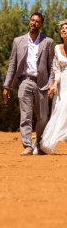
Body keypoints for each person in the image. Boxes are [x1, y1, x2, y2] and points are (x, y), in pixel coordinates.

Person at [3, 11, 54, 156]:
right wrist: (6, 86)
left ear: (41, 24)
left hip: (42, 83)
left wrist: (51, 83)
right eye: (32, 20)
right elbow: (12, 64)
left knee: (43, 116)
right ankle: (27, 146)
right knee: (25, 116)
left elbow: (52, 66)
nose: (34, 23)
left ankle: (38, 143)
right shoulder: (18, 41)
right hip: (25, 81)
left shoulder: (48, 42)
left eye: (37, 21)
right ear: (29, 22)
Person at [39, 20, 67, 154]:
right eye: (62, 28)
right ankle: (49, 142)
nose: (64, 30)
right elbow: (56, 69)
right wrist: (54, 84)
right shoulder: (57, 48)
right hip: (63, 83)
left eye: (66, 28)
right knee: (59, 109)